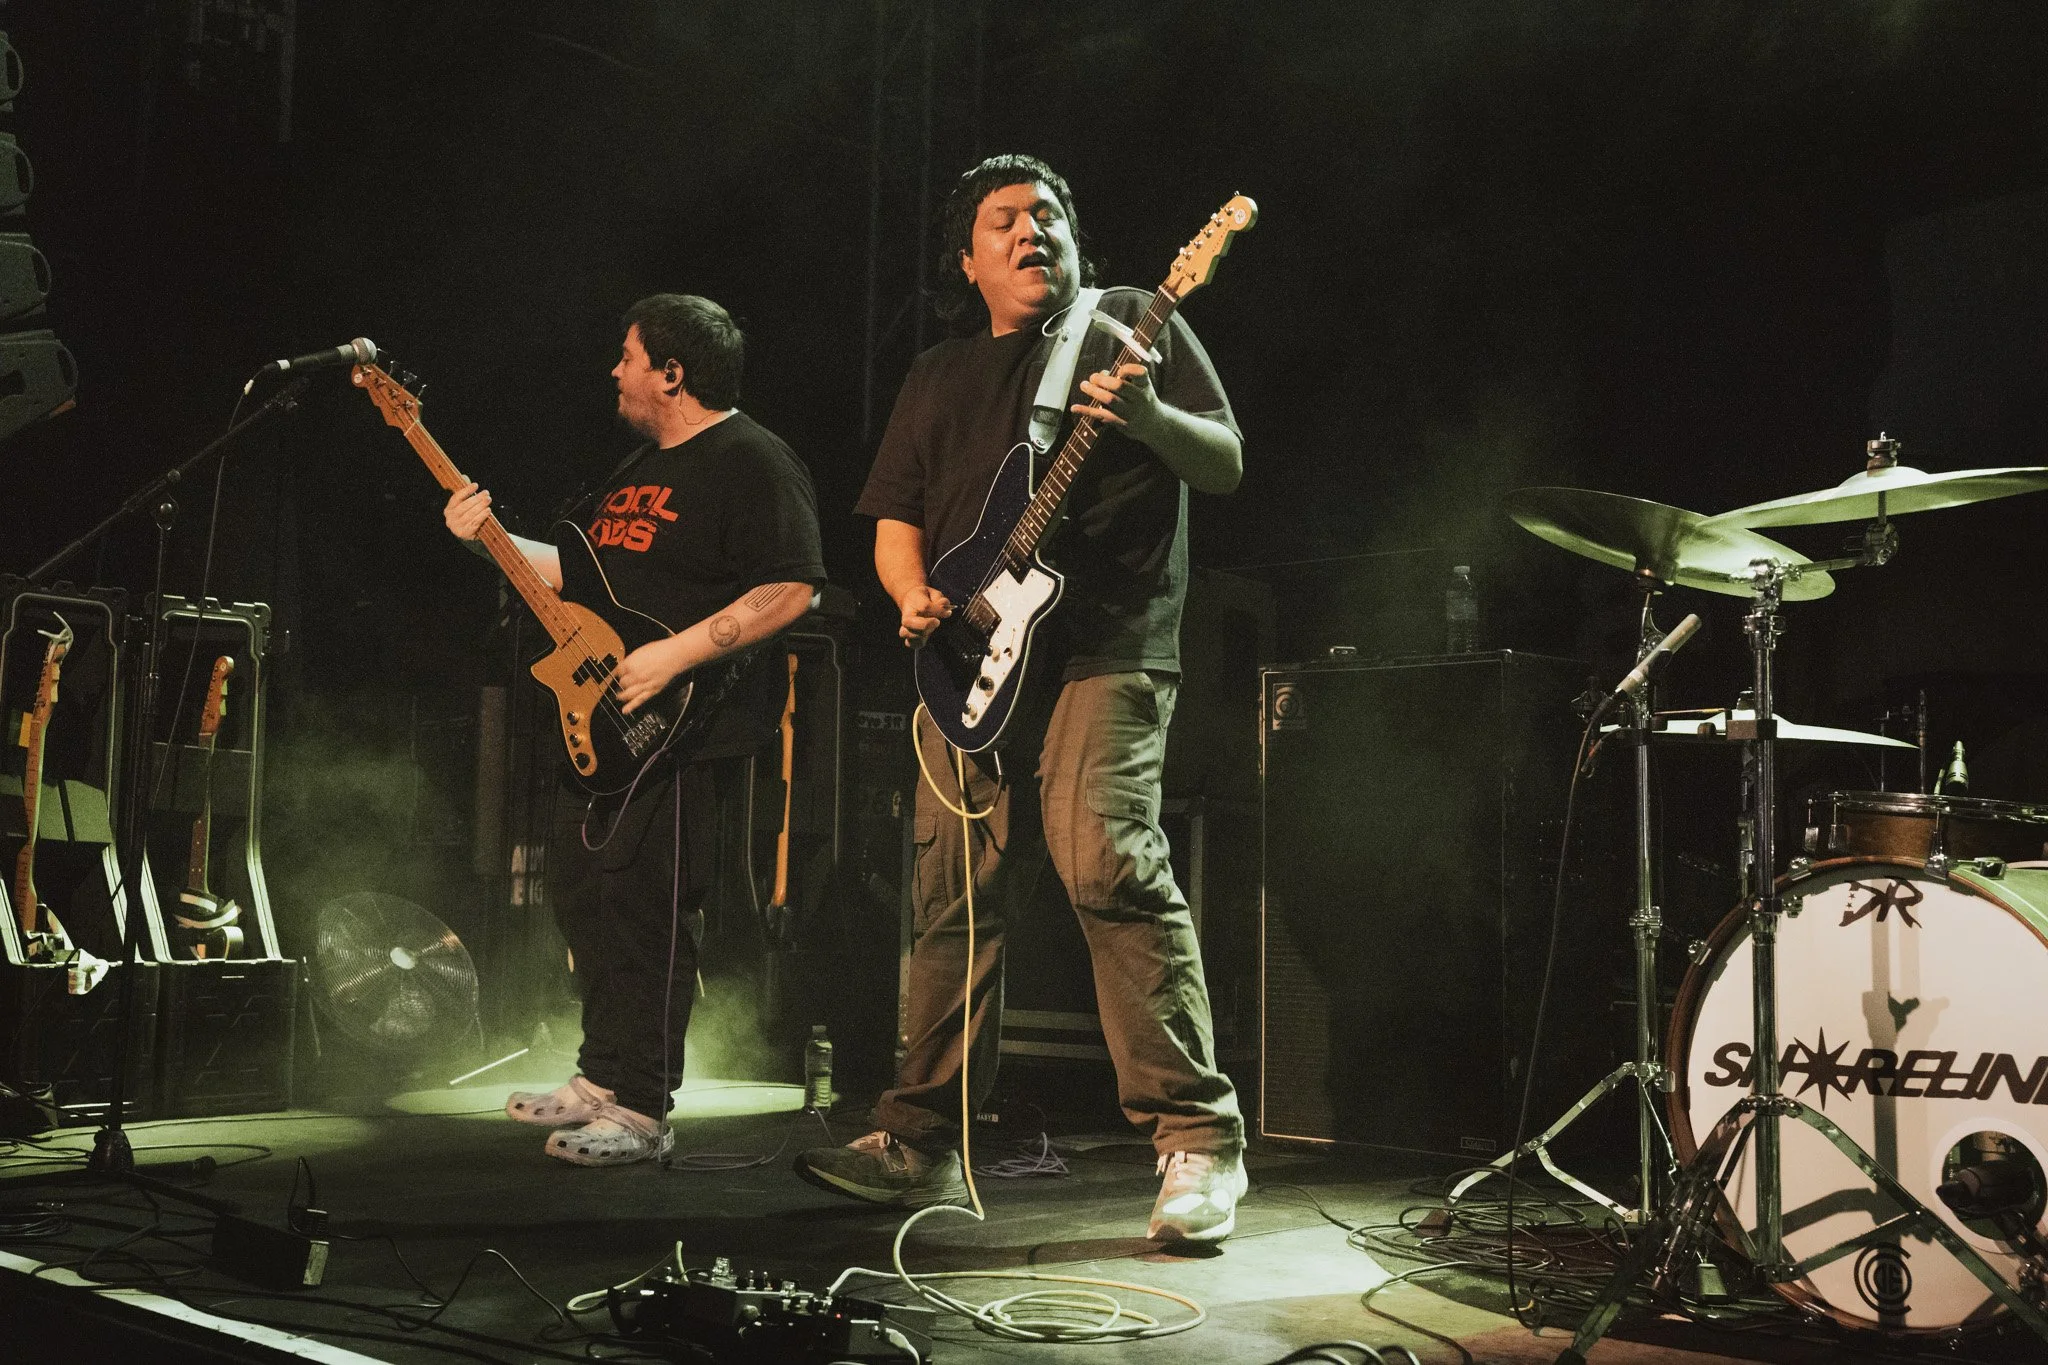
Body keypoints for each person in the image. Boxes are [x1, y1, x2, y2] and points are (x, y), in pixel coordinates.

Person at [794, 155, 1248, 1239]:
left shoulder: (1127, 321)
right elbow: (895, 518)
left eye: (1047, 215)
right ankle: (919, 1138)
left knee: (1107, 864)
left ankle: (1198, 1142)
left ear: (1075, 240)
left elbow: (1224, 460)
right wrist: (909, 594)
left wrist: (1147, 415)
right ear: (967, 259)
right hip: (967, 659)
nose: (1029, 231)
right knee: (946, 895)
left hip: (1106, 644)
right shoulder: (936, 372)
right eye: (1002, 220)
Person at [444, 293, 826, 1166]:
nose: (614, 371)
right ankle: (602, 1076)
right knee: (587, 900)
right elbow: (574, 577)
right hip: (606, 727)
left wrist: (675, 656)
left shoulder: (753, 459)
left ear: (672, 372)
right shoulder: (633, 470)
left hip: (683, 730)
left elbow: (793, 586)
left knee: (651, 914)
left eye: (627, 355)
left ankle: (646, 1108)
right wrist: (485, 539)